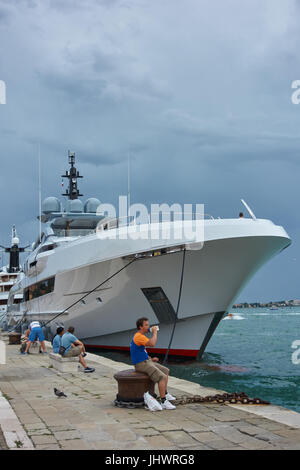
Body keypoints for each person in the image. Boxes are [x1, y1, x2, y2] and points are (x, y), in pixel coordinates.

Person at [130, 317, 176, 410]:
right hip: (140, 364)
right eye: (146, 325)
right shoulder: (139, 336)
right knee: (161, 377)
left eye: (148, 324)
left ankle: (165, 394)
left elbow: (141, 351)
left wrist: (151, 359)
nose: (148, 327)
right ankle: (163, 402)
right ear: (140, 327)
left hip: (146, 361)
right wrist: (155, 332)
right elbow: (152, 343)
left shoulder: (140, 336)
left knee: (166, 371)